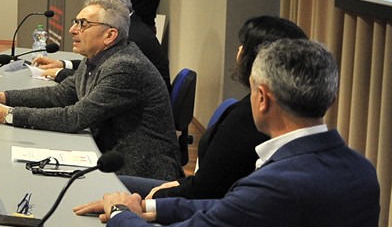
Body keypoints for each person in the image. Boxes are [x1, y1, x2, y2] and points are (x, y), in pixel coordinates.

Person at [86, 39, 380, 227]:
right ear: (330, 98)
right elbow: (232, 210)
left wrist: (121, 213)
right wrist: (151, 207)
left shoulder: (279, 185)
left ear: (262, 98)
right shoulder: (361, 170)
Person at [80, 15, 309, 204]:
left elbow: (207, 192)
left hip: (196, 204)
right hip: (192, 190)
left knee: (91, 186)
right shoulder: (269, 111)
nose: (239, 50)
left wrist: (156, 199)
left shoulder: (248, 119)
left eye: (244, 45)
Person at [0, 0, 181, 181]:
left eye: (83, 24)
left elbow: (75, 118)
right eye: (76, 22)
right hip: (112, 156)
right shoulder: (98, 58)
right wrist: (3, 97)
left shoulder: (124, 67)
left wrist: (7, 115)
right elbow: (60, 95)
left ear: (110, 35)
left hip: (140, 171)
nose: (72, 30)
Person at [33, 0, 169, 89]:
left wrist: (59, 72)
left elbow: (105, 78)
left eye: (99, 3)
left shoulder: (129, 36)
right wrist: (63, 64)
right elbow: (99, 66)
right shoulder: (129, 24)